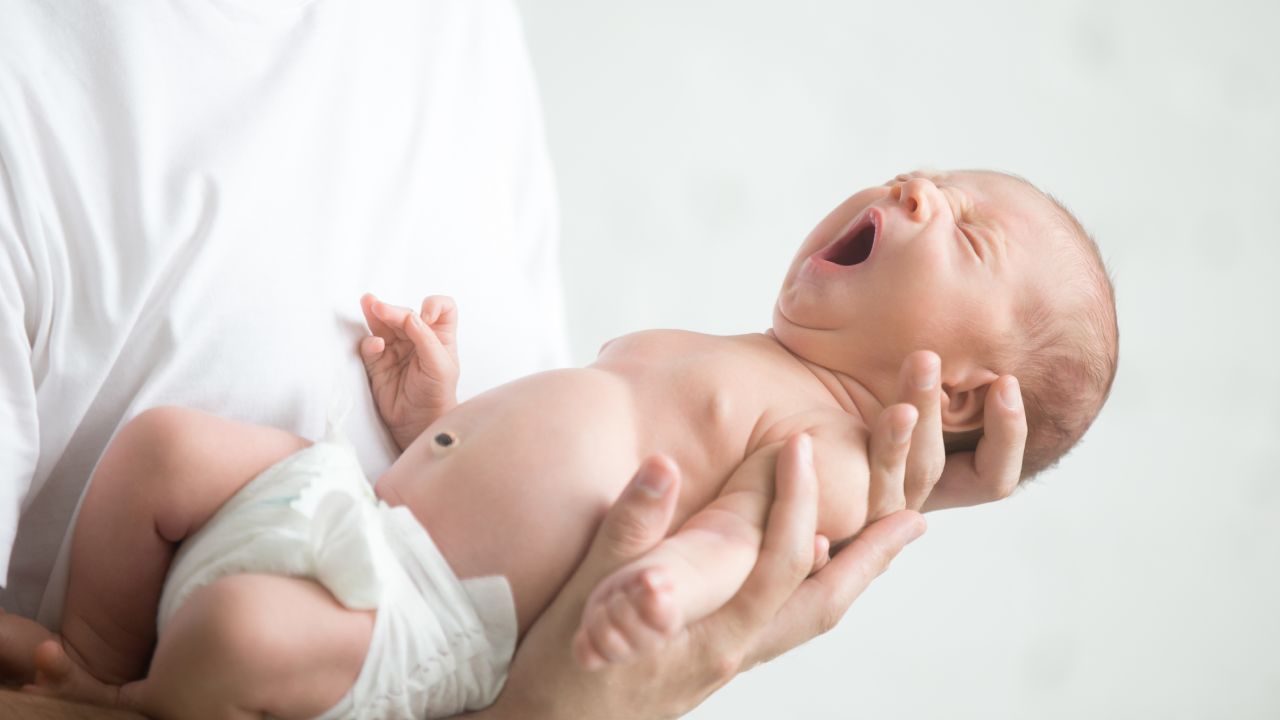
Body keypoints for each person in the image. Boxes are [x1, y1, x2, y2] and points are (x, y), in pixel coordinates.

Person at [0, 1, 1033, 716]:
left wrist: (667, 587)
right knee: (164, 451)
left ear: (965, 395)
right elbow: (540, 436)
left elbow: (730, 533)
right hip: (354, 505)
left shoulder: (826, 449)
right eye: (925, 176)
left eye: (966, 233)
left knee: (237, 639)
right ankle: (85, 665)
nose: (914, 190)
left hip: (425, 618)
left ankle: (146, 692)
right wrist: (433, 419)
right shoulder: (726, 353)